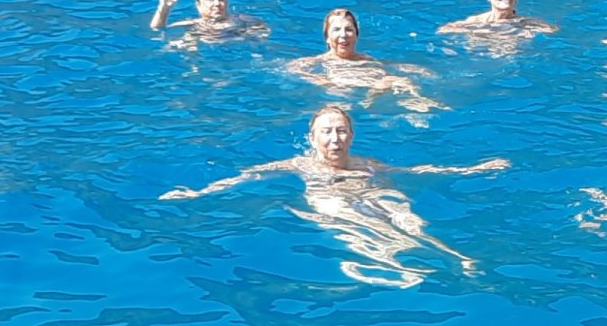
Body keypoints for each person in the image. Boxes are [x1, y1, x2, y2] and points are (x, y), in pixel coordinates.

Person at [160, 105, 509, 287]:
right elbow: (249, 175)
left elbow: (415, 171)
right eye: (326, 132)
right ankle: (394, 262)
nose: (334, 139)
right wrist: (200, 192)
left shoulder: (366, 163)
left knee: (406, 217)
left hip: (370, 191)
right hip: (332, 199)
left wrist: (470, 171)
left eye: (341, 131)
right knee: (356, 222)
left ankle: (454, 255)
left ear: (352, 135)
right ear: (312, 138)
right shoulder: (300, 164)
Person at [286, 8, 441, 116]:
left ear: (356, 35)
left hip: (377, 87)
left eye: (348, 30)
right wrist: (324, 82)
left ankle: (415, 103)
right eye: (336, 30)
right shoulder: (319, 62)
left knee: (403, 81)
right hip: (352, 98)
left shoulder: (366, 59)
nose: (343, 35)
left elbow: (385, 66)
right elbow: (292, 68)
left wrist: (409, 68)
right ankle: (377, 102)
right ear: (327, 37)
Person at [149, 0, 269, 45]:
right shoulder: (192, 25)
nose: (217, 3)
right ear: (198, 5)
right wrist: (164, 7)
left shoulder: (245, 21)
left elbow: (264, 37)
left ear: (227, 2)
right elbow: (158, 29)